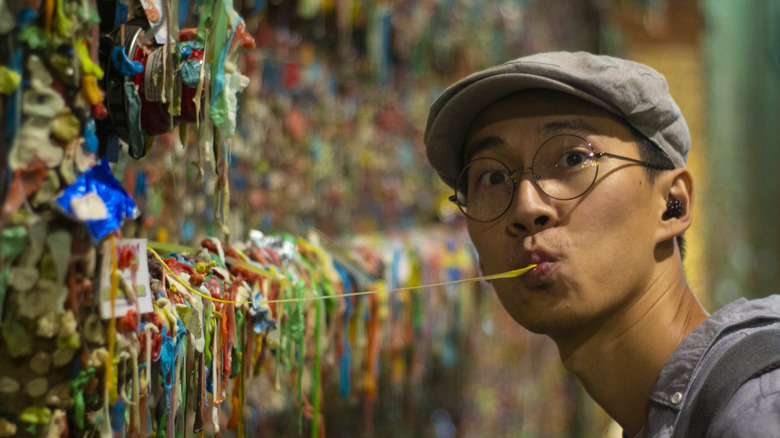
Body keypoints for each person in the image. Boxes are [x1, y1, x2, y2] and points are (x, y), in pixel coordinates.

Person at [423, 51, 780, 437]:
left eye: (573, 158)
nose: (526, 208)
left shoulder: (755, 413)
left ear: (671, 206)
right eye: (492, 178)